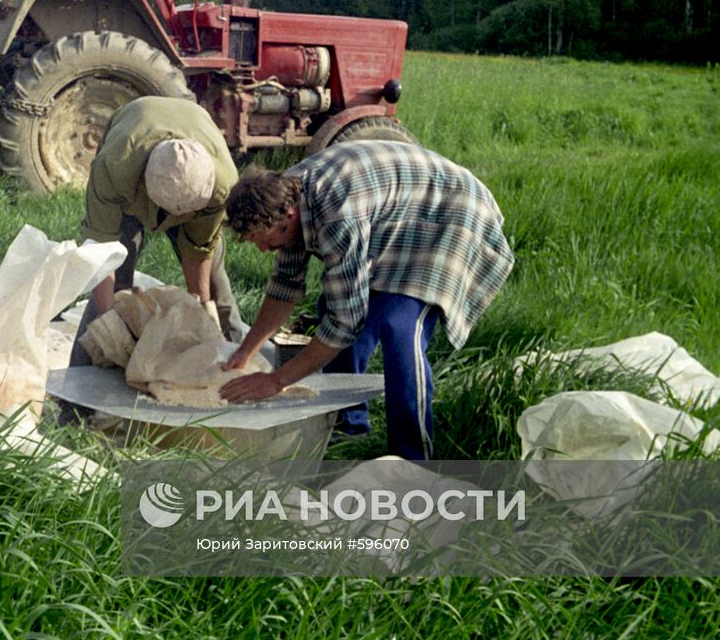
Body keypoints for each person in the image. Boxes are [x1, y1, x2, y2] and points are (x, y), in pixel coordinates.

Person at [218, 140, 514, 460]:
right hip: (394, 214)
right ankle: (349, 426)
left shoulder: (334, 214)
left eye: (265, 241)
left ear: (289, 216)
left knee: (399, 324)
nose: (262, 250)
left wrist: (277, 380)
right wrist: (244, 352)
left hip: (451, 213)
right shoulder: (282, 197)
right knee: (336, 308)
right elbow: (284, 288)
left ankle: (413, 457)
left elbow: (345, 323)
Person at [67, 96, 244, 375]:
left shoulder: (221, 186)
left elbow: (198, 251)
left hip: (199, 188)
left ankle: (234, 364)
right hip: (131, 171)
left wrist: (202, 315)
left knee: (216, 288)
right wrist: (108, 324)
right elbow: (101, 252)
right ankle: (83, 384)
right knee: (116, 288)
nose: (178, 221)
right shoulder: (114, 166)